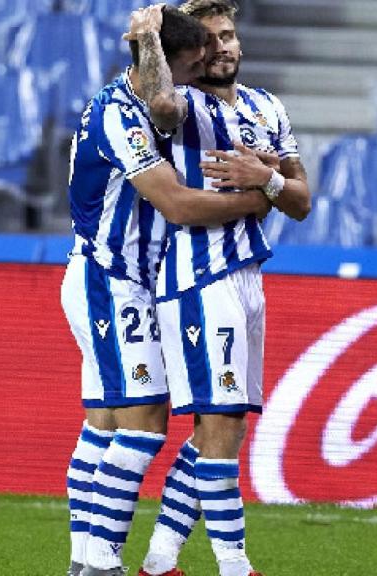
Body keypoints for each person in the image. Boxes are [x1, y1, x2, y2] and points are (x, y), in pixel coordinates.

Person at [60, 7, 282, 576]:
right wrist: (254, 200)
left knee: (104, 427)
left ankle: (85, 559)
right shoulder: (121, 115)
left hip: (125, 281)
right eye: (187, 67)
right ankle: (102, 563)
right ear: (161, 64)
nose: (192, 78)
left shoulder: (130, 103)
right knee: (144, 426)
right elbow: (178, 204)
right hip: (110, 279)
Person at [129, 2, 312, 575]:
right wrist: (153, 39)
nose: (222, 48)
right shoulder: (182, 106)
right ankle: (235, 566)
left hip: (249, 275)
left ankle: (159, 562)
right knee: (221, 423)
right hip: (196, 277)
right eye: (208, 40)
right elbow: (158, 100)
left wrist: (269, 178)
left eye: (229, 35)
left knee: (220, 430)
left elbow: (301, 201)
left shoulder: (266, 106)